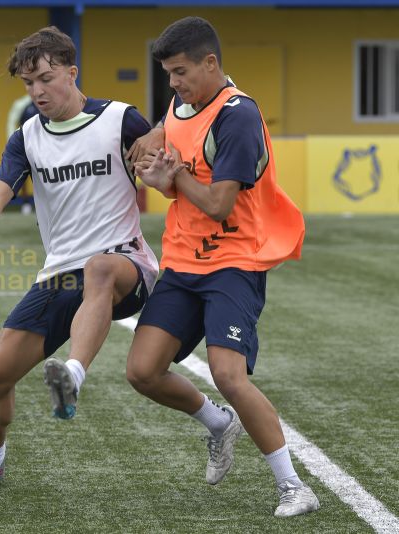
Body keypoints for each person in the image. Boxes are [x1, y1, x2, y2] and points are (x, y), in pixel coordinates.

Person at [0, 26, 158, 484]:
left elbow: (166, 148)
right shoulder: (26, 137)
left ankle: (73, 376)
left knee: (99, 268)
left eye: (45, 78)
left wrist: (160, 142)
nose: (37, 91)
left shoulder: (120, 119)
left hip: (125, 264)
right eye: (28, 83)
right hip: (61, 274)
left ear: (71, 72)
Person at [128, 16, 318, 518]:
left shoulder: (238, 116)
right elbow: (173, 132)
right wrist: (155, 146)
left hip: (234, 260)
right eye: (169, 74)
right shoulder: (181, 103)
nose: (173, 83)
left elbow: (218, 204)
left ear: (210, 63)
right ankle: (219, 424)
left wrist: (172, 178)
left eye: (181, 72)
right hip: (182, 260)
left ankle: (294, 487)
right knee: (142, 371)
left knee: (228, 375)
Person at [4, 94, 39, 215]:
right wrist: (13, 142)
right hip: (26, 144)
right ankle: (25, 202)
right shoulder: (22, 104)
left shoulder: (46, 101)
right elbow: (12, 122)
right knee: (23, 174)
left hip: (43, 143)